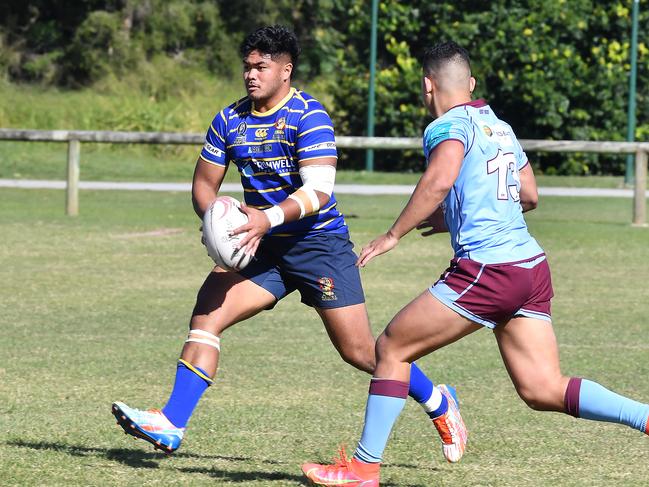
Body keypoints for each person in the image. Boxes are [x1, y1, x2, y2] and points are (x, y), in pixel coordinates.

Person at [111, 26, 467, 462]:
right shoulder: (229, 120)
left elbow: (318, 191)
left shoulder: (308, 116)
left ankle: (438, 402)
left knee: (360, 351)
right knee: (207, 313)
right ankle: (172, 422)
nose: (251, 75)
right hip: (262, 247)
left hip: (320, 246)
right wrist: (216, 224)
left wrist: (267, 218)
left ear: (285, 70)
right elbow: (204, 186)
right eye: (247, 66)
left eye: (261, 66)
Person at [302, 40, 649, 487]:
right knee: (541, 388)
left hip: (490, 270)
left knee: (391, 347)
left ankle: (363, 470)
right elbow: (529, 195)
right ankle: (644, 417)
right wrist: (457, 216)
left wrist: (392, 235)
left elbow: (440, 180)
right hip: (530, 267)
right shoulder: (498, 125)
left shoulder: (446, 125)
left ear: (427, 86)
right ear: (470, 83)